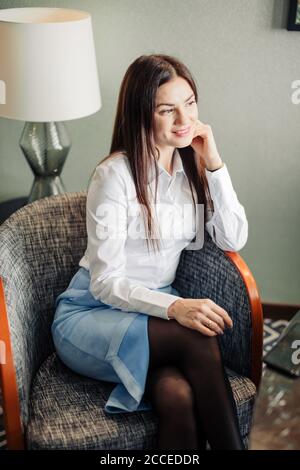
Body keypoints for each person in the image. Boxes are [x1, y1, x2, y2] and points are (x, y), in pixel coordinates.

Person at [51, 54, 248, 450]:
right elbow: (105, 283)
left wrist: (214, 164)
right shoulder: (115, 176)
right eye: (167, 109)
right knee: (196, 338)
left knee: (178, 397)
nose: (184, 119)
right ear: (142, 113)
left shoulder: (192, 169)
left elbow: (233, 239)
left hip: (154, 313)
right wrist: (175, 308)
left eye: (190, 103)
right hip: (92, 313)